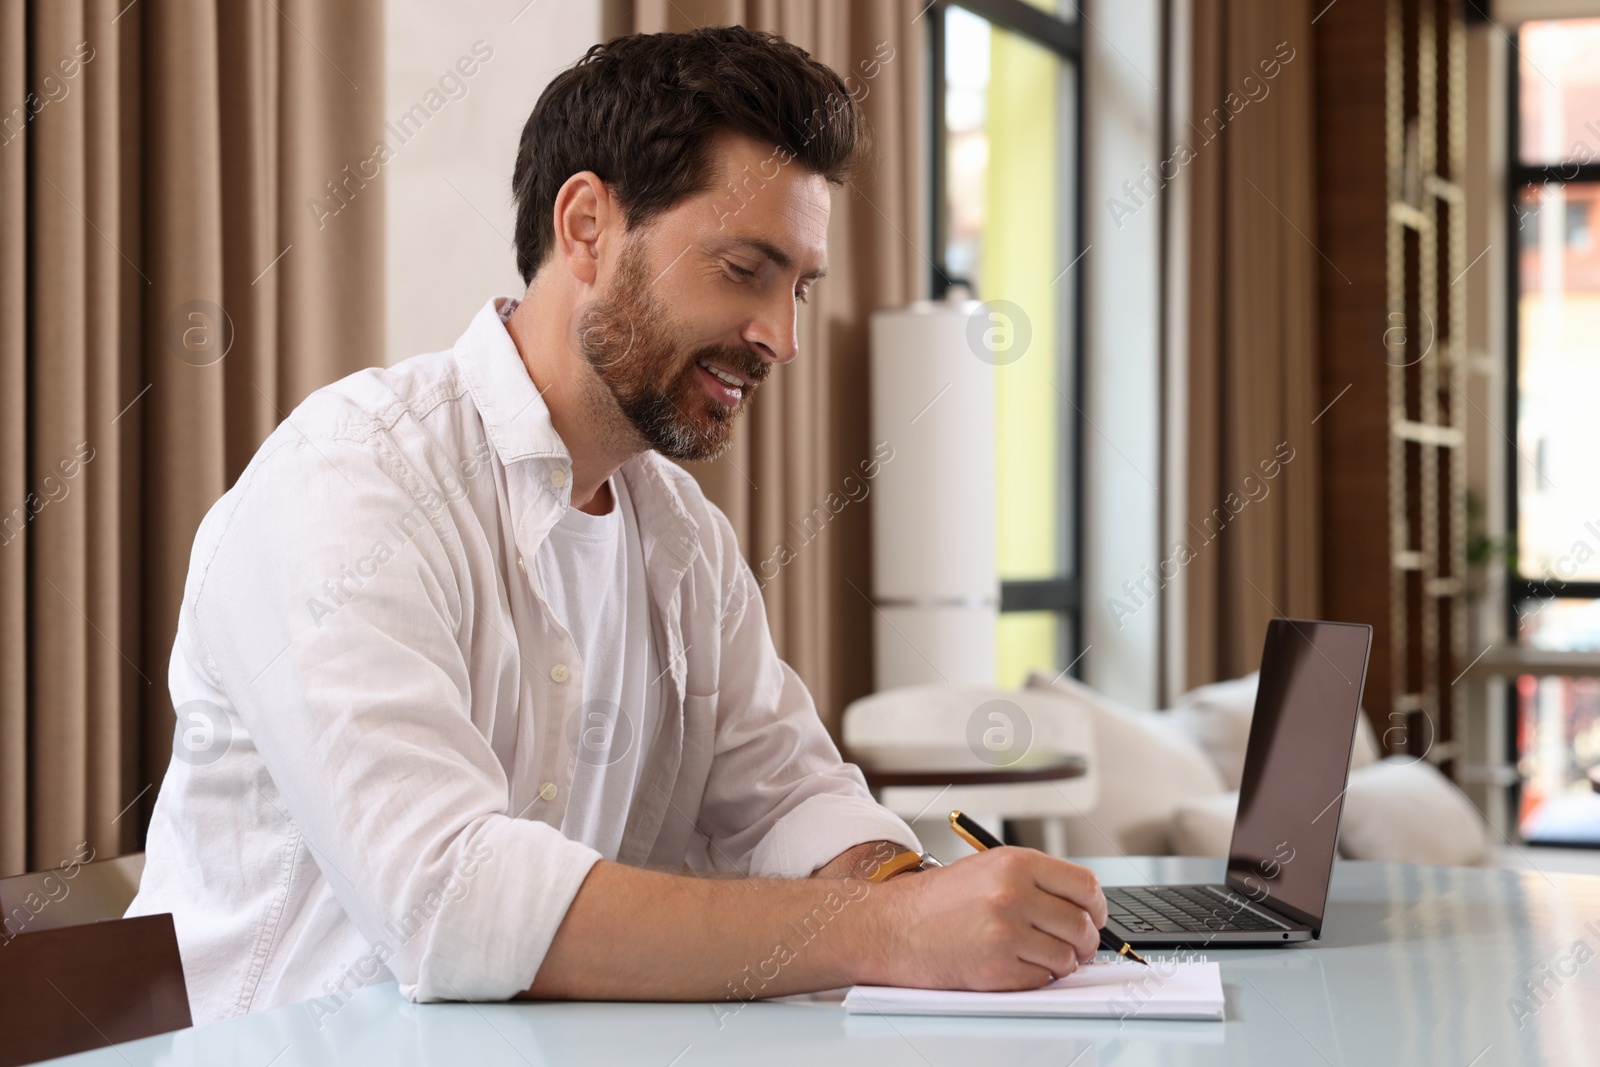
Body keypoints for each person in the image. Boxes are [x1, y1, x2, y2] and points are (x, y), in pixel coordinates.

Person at [127, 26, 1106, 1025]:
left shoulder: (679, 536)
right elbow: (450, 898)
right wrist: (888, 930)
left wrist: (913, 891)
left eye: (798, 286)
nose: (783, 335)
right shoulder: (350, 481)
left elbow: (786, 797)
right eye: (743, 268)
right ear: (587, 225)